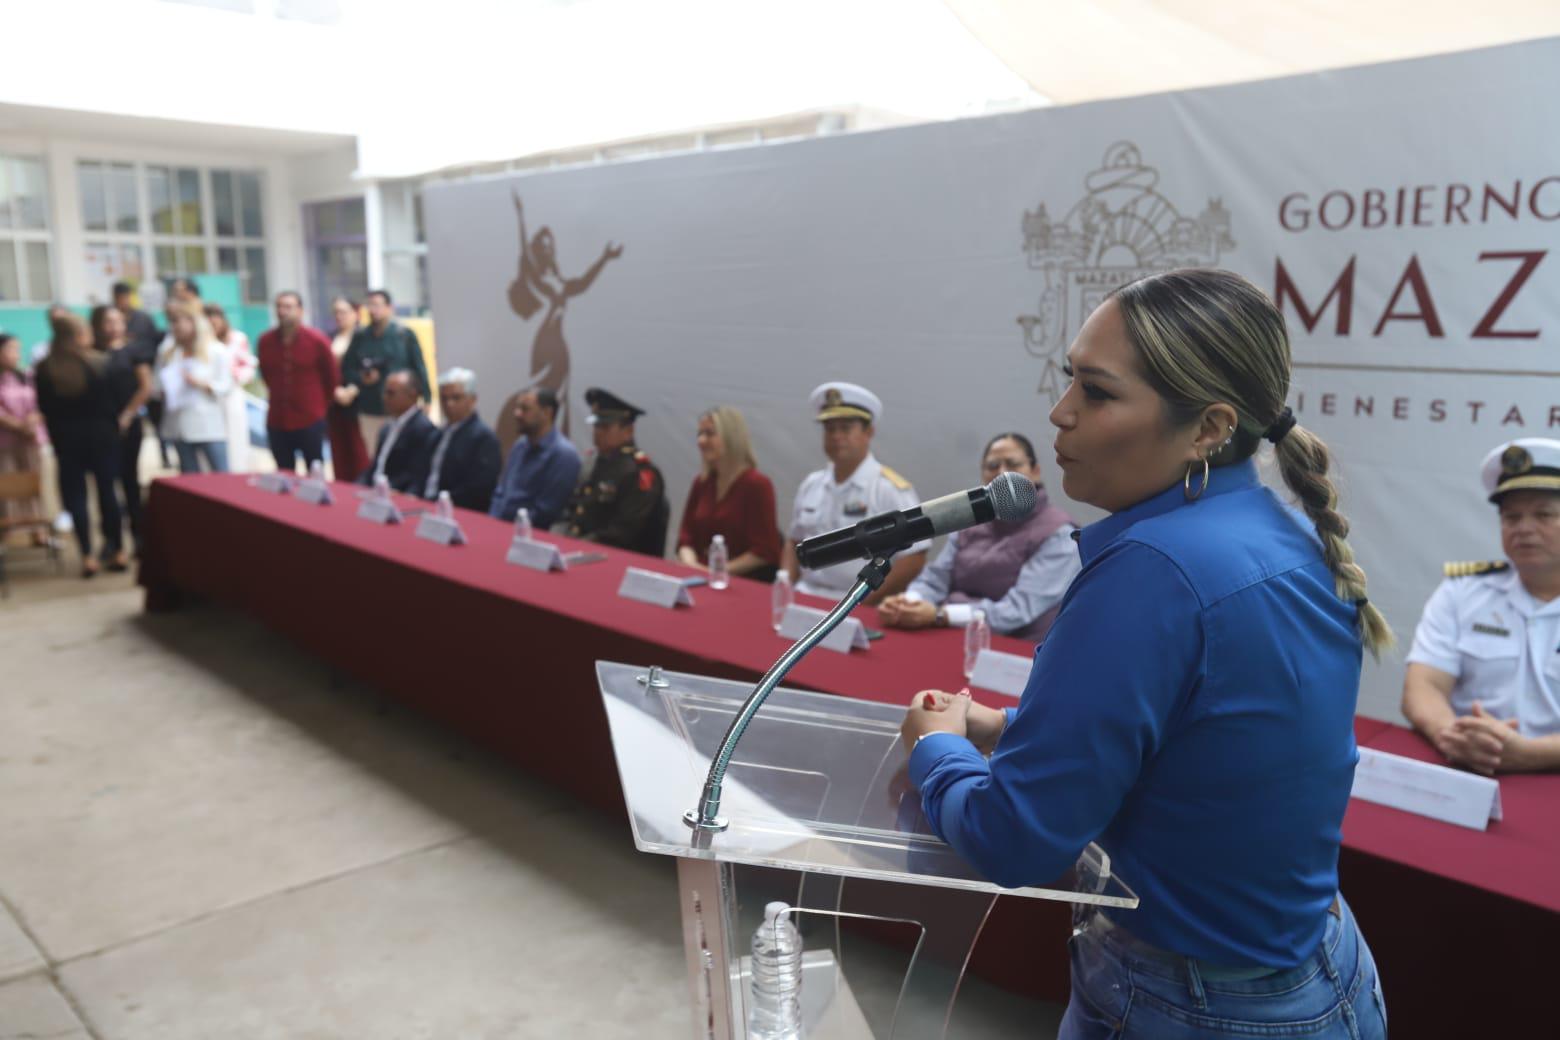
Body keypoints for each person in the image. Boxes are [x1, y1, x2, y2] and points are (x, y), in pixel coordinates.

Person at [900, 269, 1389, 1039]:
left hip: (1193, 1006)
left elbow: (1014, 838)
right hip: (1319, 971)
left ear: (1208, 428)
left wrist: (938, 752)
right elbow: (1213, 748)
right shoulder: (1273, 532)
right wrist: (1015, 733)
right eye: (1069, 382)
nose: (1059, 414)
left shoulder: (1152, 571)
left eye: (1096, 393)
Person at [1401, 437, 1560, 773]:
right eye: (1511, 517)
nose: (1524, 529)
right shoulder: (1463, 590)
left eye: (1543, 514)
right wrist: (1451, 735)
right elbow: (1424, 685)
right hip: (1469, 768)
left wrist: (1533, 753)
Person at [876, 432, 1078, 641]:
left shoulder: (1059, 533)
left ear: (1035, 471)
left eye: (1012, 464)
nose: (1002, 473)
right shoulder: (970, 520)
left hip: (1017, 650)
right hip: (952, 635)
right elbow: (936, 577)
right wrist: (909, 602)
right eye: (992, 466)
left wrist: (941, 614)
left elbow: (1017, 610)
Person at [779, 382, 926, 606]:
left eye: (846, 428)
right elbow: (794, 542)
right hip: (804, 595)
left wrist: (863, 600)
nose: (836, 436)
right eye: (829, 429)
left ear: (869, 432)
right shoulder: (812, 484)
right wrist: (785, 585)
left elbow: (915, 557)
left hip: (855, 604)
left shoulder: (889, 489)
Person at [33, 313, 124, 576]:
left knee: (76, 499)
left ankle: (87, 555)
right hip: (102, 437)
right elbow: (114, 403)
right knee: (108, 493)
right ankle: (117, 549)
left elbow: (45, 407)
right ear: (79, 335)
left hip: (67, 440)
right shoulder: (100, 364)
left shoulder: (46, 368)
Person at [675, 405, 781, 581]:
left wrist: (715, 571)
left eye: (709, 434)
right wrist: (691, 564)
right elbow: (686, 537)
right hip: (698, 575)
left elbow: (765, 551)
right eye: (699, 434)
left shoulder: (757, 485)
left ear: (731, 437)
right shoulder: (702, 483)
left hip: (739, 581)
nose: (701, 441)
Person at [562, 387, 666, 554]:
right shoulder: (596, 463)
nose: (597, 432)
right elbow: (576, 510)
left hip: (617, 558)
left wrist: (577, 546)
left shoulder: (640, 472)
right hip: (583, 550)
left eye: (605, 427)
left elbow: (621, 534)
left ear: (628, 431)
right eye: (596, 425)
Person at [90, 305, 154, 554]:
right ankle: (111, 539)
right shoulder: (91, 353)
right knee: (104, 484)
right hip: (100, 427)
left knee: (130, 481)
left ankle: (139, 537)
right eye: (108, 321)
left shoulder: (133, 351)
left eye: (118, 321)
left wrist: (128, 414)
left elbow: (145, 387)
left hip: (128, 424)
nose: (114, 326)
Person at [256, 291, 338, 474]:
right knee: (284, 473)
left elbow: (331, 378)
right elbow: (266, 374)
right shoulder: (265, 341)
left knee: (315, 471)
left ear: (300, 311)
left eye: (288, 306)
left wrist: (319, 406)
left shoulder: (317, 341)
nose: (282, 311)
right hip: (277, 418)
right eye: (279, 306)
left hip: (310, 418)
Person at [339, 289, 429, 453]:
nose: (373, 310)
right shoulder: (360, 337)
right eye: (370, 306)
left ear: (389, 308)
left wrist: (427, 399)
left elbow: (419, 369)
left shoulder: (404, 335)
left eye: (377, 305)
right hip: (370, 409)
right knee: (375, 455)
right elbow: (347, 369)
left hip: (403, 410)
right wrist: (362, 379)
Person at [489, 387, 581, 529]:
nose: (517, 414)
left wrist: (510, 529)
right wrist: (493, 523)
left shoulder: (564, 455)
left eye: (525, 409)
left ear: (547, 413)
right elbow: (501, 492)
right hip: (500, 527)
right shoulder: (520, 445)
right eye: (517, 407)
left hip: (529, 535)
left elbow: (546, 511)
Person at [157, 302, 232, 473]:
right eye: (172, 322)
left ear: (194, 323)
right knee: (189, 476)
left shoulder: (216, 351)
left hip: (208, 425)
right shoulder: (167, 352)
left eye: (179, 321)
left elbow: (225, 386)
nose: (174, 326)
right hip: (178, 424)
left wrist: (201, 383)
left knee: (221, 474)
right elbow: (157, 383)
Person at [422, 367, 501, 511]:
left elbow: (478, 490)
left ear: (472, 400)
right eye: (444, 398)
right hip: (427, 505)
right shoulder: (437, 434)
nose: (449, 404)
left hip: (458, 512)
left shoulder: (484, 438)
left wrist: (435, 502)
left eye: (456, 398)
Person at [113, 282, 169, 467]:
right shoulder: (111, 318)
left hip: (146, 375)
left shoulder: (143, 319)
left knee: (157, 422)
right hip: (125, 384)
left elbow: (153, 343)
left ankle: (165, 455)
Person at [0, 332, 49, 542]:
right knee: (8, 483)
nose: (15, 354)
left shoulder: (26, 375)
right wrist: (19, 426)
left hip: (30, 439)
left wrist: (33, 419)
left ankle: (37, 528)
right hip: (5, 442)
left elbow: (40, 402)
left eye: (17, 349)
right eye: (10, 349)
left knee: (33, 482)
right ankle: (8, 527)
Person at [359, 370, 437, 493]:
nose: (385, 397)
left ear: (412, 395)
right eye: (384, 392)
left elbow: (416, 476)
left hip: (396, 495)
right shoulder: (387, 427)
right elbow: (376, 466)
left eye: (391, 393)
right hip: (375, 493)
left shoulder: (423, 429)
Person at [205, 303, 255, 473]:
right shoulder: (202, 343)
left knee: (236, 437)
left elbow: (248, 365)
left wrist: (235, 377)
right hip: (209, 396)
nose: (212, 322)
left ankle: (237, 471)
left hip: (231, 394)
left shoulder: (237, 339)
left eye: (215, 317)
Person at [325, 295, 369, 481]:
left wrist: (354, 389)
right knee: (339, 450)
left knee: (359, 451)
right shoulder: (328, 338)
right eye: (336, 312)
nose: (339, 316)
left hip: (359, 401)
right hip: (334, 401)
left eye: (343, 312)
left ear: (355, 314)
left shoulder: (364, 337)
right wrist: (334, 391)